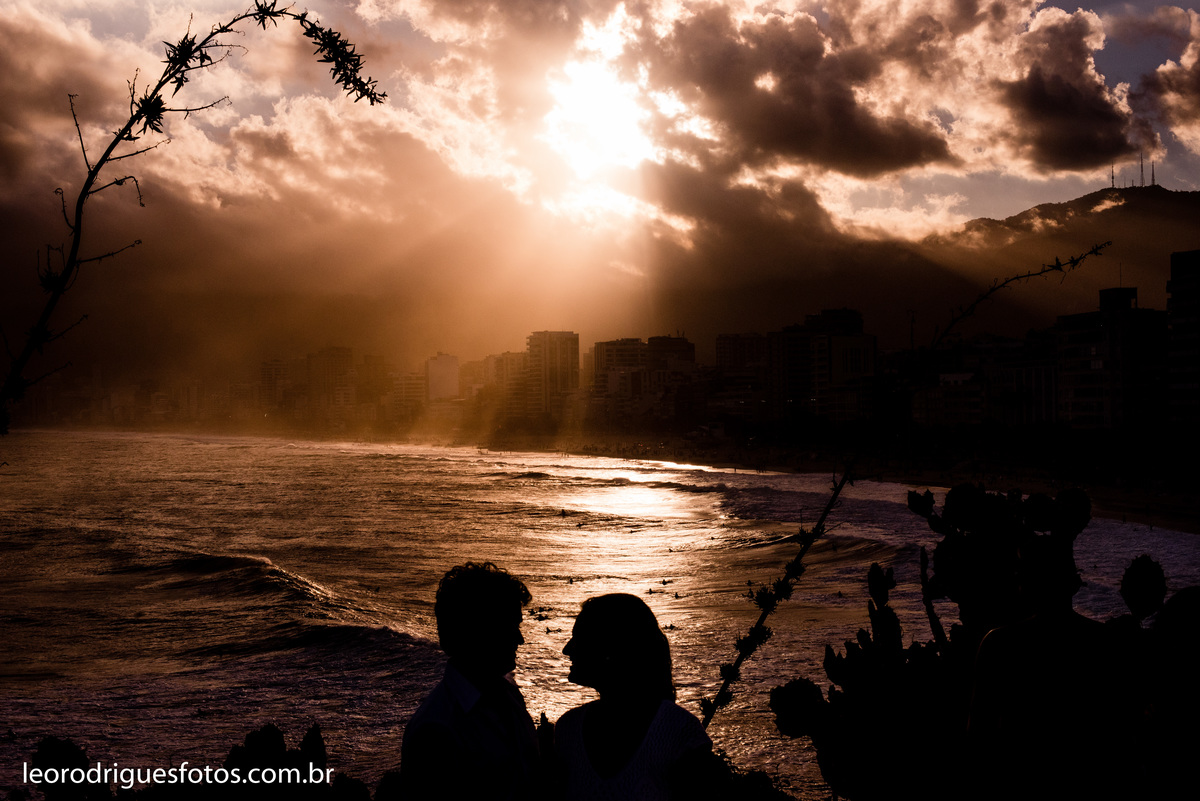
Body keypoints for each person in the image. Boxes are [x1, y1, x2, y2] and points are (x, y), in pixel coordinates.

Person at [554, 593, 720, 800]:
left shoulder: (678, 731)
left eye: (579, 638)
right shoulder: (567, 729)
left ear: (609, 650)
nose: (566, 649)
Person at [397, 561, 541, 800]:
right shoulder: (436, 729)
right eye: (510, 627)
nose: (520, 639)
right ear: (478, 631)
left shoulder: (508, 696)